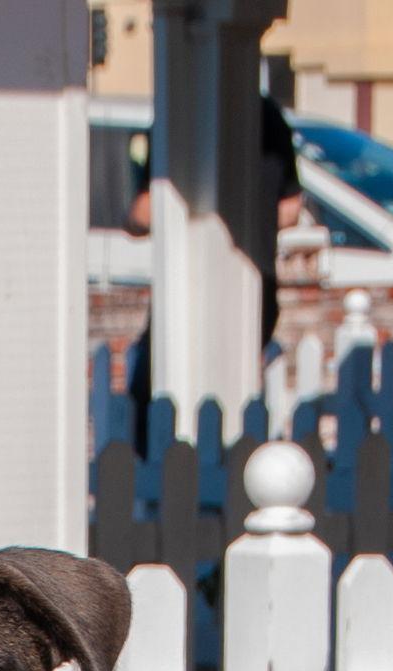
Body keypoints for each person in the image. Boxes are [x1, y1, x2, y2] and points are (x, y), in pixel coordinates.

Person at [126, 94, 303, 448]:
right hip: (256, 276)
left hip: (188, 280)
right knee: (238, 396)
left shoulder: (178, 114)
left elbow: (144, 213)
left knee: (163, 395)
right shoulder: (268, 117)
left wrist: (130, 218)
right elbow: (291, 209)